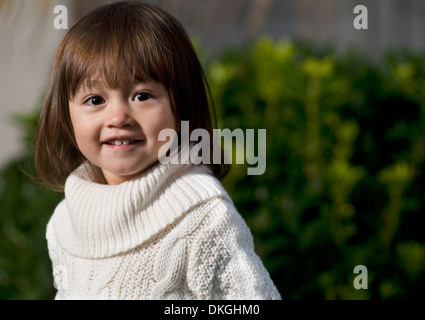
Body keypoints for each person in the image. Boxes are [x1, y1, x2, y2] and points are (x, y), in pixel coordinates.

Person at [35, 0, 281, 300]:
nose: (117, 117)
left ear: (182, 105)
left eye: (142, 95)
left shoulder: (203, 215)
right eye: (95, 100)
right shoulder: (64, 223)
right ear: (66, 114)